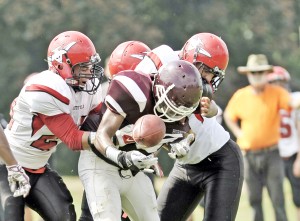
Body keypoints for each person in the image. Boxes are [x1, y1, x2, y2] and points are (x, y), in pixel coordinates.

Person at [78, 59, 203, 221]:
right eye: (170, 107)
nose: (173, 117)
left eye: (179, 112)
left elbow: (189, 133)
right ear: (159, 90)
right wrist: (122, 157)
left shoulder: (180, 107)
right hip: (100, 165)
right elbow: (102, 135)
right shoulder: (134, 91)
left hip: (133, 173)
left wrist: (184, 144)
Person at [0, 30, 104, 221]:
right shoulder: (47, 89)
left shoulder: (85, 91)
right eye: (83, 66)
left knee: (64, 216)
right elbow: (73, 139)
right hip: (7, 166)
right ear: (61, 64)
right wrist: (110, 139)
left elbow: (100, 123)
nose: (89, 72)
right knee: (11, 214)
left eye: (90, 65)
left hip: (38, 168)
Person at [157, 32, 244, 221]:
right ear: (195, 59)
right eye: (209, 71)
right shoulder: (163, 61)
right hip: (186, 165)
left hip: (221, 162)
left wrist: (211, 109)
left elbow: (210, 109)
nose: (210, 78)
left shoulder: (198, 87)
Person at [78, 40, 151, 221]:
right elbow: (93, 133)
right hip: (103, 162)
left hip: (132, 165)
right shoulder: (105, 93)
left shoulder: (150, 93)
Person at [224, 54, 290, 221]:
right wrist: (238, 133)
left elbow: (291, 103)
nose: (257, 76)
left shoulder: (277, 93)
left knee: (277, 198)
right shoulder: (241, 95)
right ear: (248, 75)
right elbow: (228, 115)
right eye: (253, 72)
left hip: (272, 153)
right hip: (249, 155)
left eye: (260, 72)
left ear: (267, 74)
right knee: (254, 199)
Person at [267, 66, 300, 221]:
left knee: (298, 198)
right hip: (274, 154)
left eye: (280, 82)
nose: (277, 86)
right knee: (276, 198)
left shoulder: (293, 99)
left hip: (293, 152)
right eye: (273, 83)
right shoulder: (265, 102)